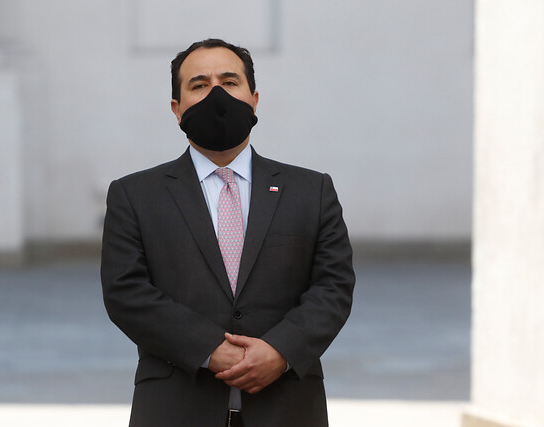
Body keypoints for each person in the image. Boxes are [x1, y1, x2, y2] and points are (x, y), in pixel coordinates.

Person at [101, 38, 355, 427]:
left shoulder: (312, 191)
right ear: (177, 108)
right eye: (199, 85)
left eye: (230, 82)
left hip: (287, 407)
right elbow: (126, 292)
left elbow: (333, 287)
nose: (216, 95)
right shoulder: (134, 195)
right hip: (175, 409)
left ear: (254, 99)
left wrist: (280, 351)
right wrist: (210, 349)